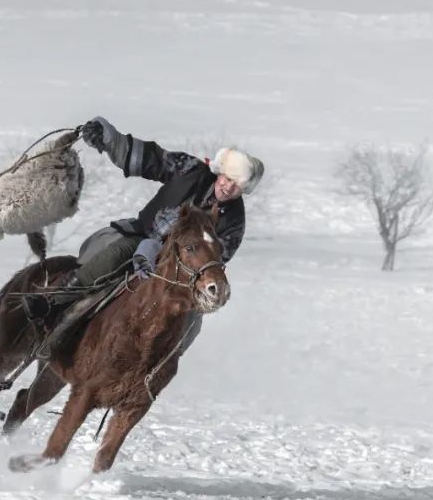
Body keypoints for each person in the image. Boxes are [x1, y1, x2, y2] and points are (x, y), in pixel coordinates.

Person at [23, 116, 264, 350]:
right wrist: (108, 137)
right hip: (143, 236)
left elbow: (215, 260)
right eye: (227, 178)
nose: (228, 187)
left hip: (180, 273)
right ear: (220, 172)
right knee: (113, 256)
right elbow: (151, 158)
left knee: (188, 326)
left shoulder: (234, 221)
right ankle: (53, 302)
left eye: (237, 185)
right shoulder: (190, 170)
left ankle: (160, 366)